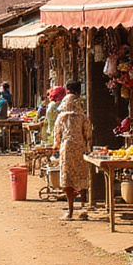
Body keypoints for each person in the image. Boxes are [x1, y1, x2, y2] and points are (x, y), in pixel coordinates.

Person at [53, 89, 93, 220]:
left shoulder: (61, 117)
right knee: (82, 176)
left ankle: (70, 211)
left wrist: (56, 145)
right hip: (80, 148)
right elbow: (88, 134)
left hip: (66, 149)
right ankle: (83, 208)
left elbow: (57, 136)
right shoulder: (82, 117)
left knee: (67, 178)